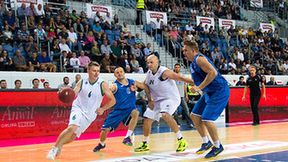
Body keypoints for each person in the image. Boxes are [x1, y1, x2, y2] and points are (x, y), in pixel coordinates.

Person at [47, 62, 116, 160]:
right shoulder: (82, 82)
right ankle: (54, 149)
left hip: (90, 115)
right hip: (78, 108)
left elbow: (113, 100)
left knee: (72, 137)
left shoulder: (102, 84)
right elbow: (73, 93)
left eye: (98, 71)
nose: (96, 73)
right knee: (72, 128)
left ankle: (60, 145)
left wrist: (103, 109)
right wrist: (65, 92)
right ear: (88, 71)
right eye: (94, 71)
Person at [134, 55, 194, 153]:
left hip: (171, 98)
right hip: (157, 100)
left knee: (165, 114)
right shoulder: (149, 73)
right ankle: (145, 143)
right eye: (148, 62)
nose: (149, 64)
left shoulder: (164, 72)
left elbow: (179, 77)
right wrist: (134, 85)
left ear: (157, 62)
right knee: (147, 119)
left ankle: (181, 140)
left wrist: (195, 82)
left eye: (151, 62)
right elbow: (144, 86)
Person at [183, 41, 230, 158]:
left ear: (193, 50)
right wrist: (180, 78)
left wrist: (199, 87)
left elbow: (213, 73)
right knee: (194, 115)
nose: (184, 52)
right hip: (209, 92)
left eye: (186, 50)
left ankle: (218, 146)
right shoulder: (192, 63)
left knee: (207, 119)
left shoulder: (199, 59)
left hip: (219, 90)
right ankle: (206, 142)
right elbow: (196, 81)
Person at [93, 67, 147, 152]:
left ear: (124, 72)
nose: (119, 73)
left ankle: (127, 137)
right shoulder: (115, 85)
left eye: (121, 71)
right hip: (118, 111)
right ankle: (101, 144)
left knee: (136, 113)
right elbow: (110, 88)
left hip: (129, 110)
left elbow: (144, 86)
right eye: (117, 72)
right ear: (115, 75)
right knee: (105, 130)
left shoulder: (132, 82)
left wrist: (138, 88)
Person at [173, 63, 194, 128]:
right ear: (174, 68)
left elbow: (184, 86)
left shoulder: (182, 76)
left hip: (182, 96)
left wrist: (186, 95)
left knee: (186, 110)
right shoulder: (172, 76)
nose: (177, 68)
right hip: (174, 97)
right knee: (175, 112)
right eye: (176, 67)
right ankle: (177, 123)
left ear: (180, 68)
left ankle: (189, 123)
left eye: (178, 67)